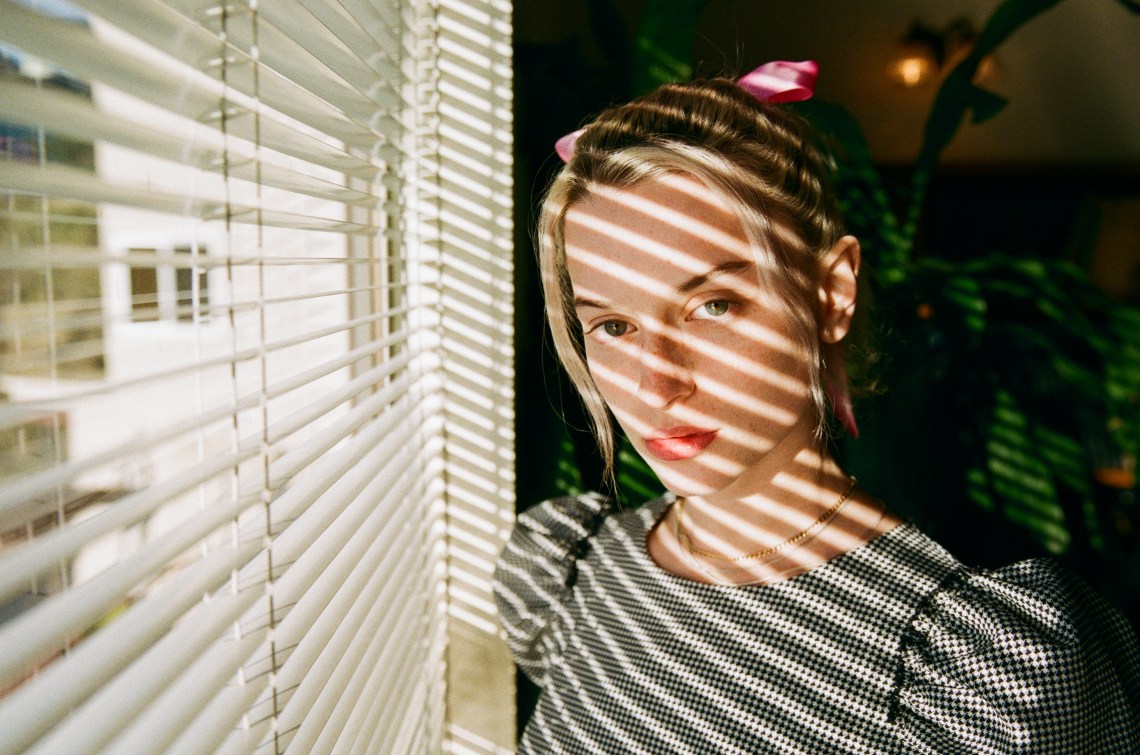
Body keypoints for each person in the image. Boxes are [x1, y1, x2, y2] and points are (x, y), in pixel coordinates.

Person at [493, 61, 1139, 753]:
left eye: (714, 305)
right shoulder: (566, 571)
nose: (657, 383)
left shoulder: (973, 675)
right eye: (614, 326)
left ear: (830, 293)